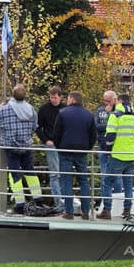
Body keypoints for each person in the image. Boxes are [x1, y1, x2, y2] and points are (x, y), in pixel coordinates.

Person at [0, 84, 43, 213]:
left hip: (11, 147)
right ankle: (38, 199)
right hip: (26, 146)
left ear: (12, 95)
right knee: (30, 172)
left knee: (15, 175)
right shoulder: (31, 109)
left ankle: (20, 204)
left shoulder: (5, 110)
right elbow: (35, 126)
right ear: (25, 96)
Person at [99, 94, 134, 220]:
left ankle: (107, 210)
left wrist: (109, 149)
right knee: (128, 184)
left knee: (107, 182)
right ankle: (127, 210)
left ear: (119, 102)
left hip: (117, 155)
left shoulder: (115, 115)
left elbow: (110, 136)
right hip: (132, 155)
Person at [53, 90, 97, 219]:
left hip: (65, 151)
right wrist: (87, 148)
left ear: (72, 100)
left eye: (68, 98)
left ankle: (69, 212)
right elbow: (93, 136)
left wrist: (59, 147)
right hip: (82, 152)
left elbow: (56, 134)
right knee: (83, 181)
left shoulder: (62, 113)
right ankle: (85, 211)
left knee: (66, 181)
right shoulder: (89, 115)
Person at [36, 85, 66, 208]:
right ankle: (58, 203)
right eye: (51, 97)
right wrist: (45, 140)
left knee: (64, 173)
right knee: (54, 174)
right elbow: (37, 127)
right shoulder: (44, 109)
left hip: (64, 145)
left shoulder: (65, 109)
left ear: (60, 97)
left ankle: (65, 202)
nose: (53, 100)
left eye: (55, 97)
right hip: (51, 144)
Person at [94, 89, 122, 209]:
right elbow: (96, 126)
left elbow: (119, 127)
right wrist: (108, 126)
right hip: (102, 146)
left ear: (114, 100)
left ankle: (117, 201)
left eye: (109, 101)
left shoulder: (120, 111)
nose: (106, 103)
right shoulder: (100, 110)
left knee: (117, 176)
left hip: (116, 147)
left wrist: (110, 116)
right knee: (104, 175)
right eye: (105, 101)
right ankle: (104, 202)